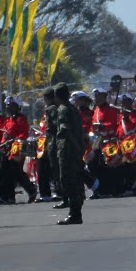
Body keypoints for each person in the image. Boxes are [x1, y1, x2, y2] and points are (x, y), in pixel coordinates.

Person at [55, 83, 85, 225]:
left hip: (67, 150)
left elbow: (66, 131)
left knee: (67, 181)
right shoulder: (73, 109)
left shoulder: (62, 109)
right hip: (76, 149)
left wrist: (75, 147)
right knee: (76, 180)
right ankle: (76, 212)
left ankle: (74, 214)